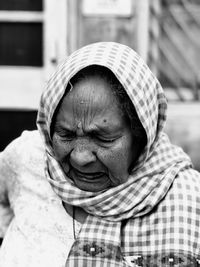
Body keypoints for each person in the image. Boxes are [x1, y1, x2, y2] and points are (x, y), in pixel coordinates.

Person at [0, 42, 200, 267]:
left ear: (141, 135)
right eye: (66, 134)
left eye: (103, 138)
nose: (80, 157)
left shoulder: (190, 198)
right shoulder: (28, 158)